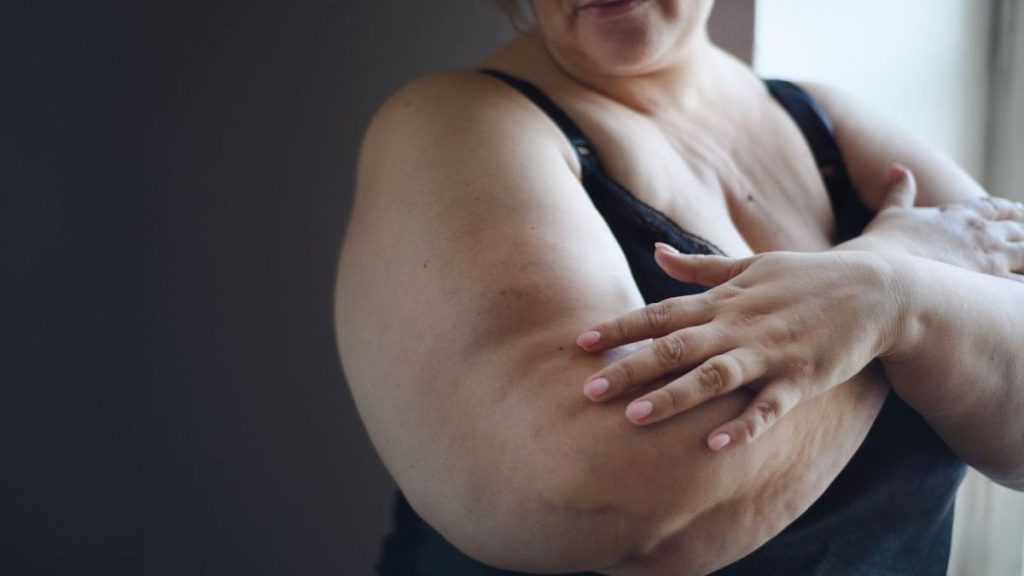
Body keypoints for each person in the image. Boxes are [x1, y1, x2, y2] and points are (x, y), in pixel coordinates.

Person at [334, 1, 1024, 574]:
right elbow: (595, 502)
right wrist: (891, 292)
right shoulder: (456, 126)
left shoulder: (828, 123)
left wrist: (888, 299)